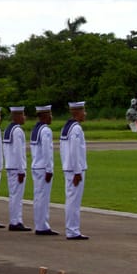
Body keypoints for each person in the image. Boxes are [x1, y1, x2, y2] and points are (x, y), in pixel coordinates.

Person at [60, 101, 89, 240]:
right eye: (83, 111)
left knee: (72, 199)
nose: (85, 114)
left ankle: (72, 228)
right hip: (75, 169)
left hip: (69, 167)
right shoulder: (76, 128)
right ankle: (72, 230)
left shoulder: (67, 127)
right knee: (74, 201)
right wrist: (77, 171)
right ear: (77, 112)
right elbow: (74, 151)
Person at [30, 105, 57, 236]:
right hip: (42, 167)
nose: (52, 117)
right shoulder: (45, 130)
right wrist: (49, 169)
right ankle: (42, 226)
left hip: (36, 165)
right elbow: (47, 151)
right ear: (45, 116)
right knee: (43, 198)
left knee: (38, 197)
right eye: (50, 114)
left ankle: (40, 223)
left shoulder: (36, 129)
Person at [3, 106, 31, 231]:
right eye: (23, 115)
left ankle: (15, 220)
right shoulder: (18, 130)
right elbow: (18, 151)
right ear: (18, 116)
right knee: (17, 196)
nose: (25, 117)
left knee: (14, 195)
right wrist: (21, 170)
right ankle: (15, 221)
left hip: (10, 165)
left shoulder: (8, 129)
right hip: (16, 167)